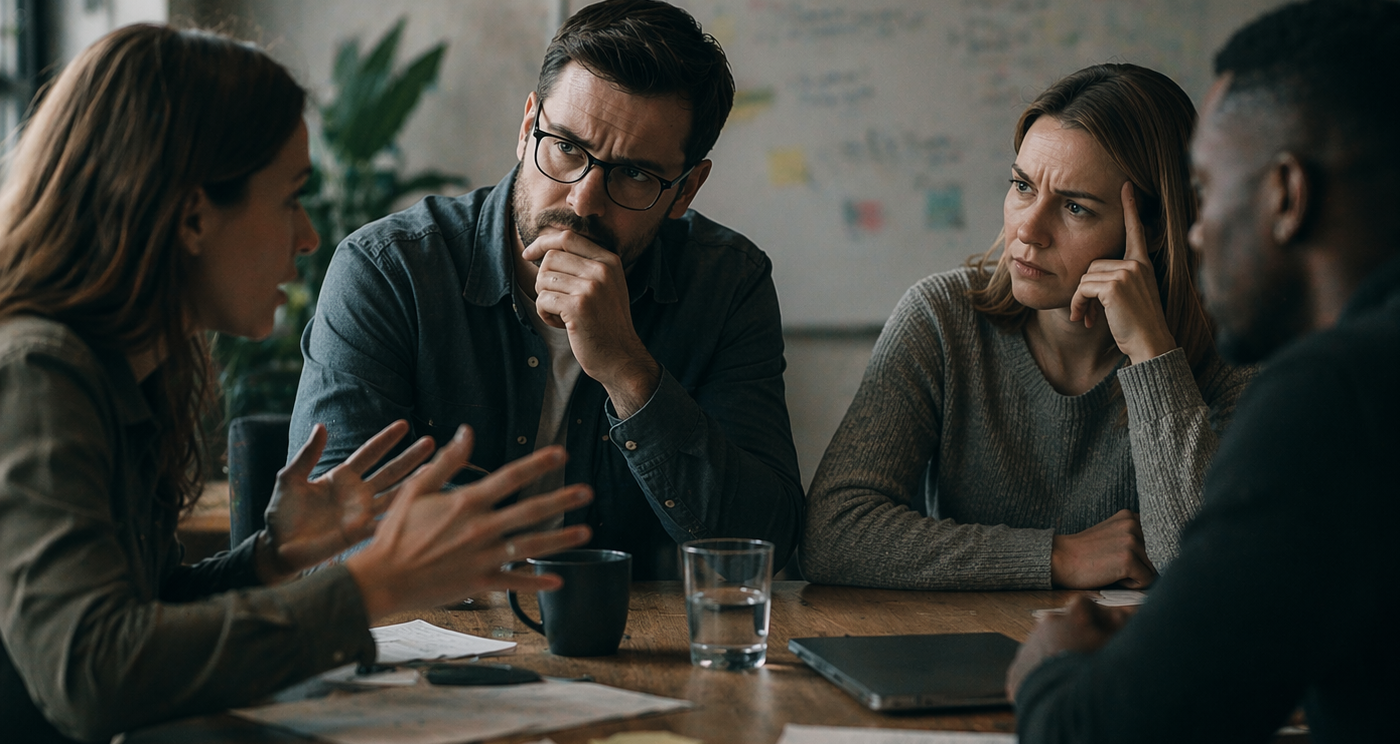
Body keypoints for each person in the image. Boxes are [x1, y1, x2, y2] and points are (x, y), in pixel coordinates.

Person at [0, 25, 594, 743]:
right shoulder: (34, 373)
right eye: (289, 199)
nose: (310, 236)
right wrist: (372, 585)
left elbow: (141, 611)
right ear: (192, 216)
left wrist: (270, 556)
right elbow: (92, 676)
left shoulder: (121, 371)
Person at [288, 0, 802, 579]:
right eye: (567, 148)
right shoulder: (390, 271)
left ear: (686, 191)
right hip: (438, 642)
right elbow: (324, 538)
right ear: (528, 124)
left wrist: (630, 373)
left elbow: (766, 546)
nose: (584, 201)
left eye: (634, 173)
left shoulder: (729, 284)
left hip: (636, 650)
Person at [1006, 1, 1400, 740]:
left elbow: (1114, 731)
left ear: (1286, 196)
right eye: (1021, 185)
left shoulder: (1336, 397)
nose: (1194, 232)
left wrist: (1049, 666)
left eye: (1210, 191)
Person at [801, 64, 1255, 591]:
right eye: (1022, 186)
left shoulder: (1231, 350)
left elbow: (1213, 573)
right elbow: (832, 534)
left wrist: (1153, 358)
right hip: (959, 650)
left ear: (1152, 229)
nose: (1029, 230)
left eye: (1075, 208)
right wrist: (1057, 557)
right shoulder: (943, 318)